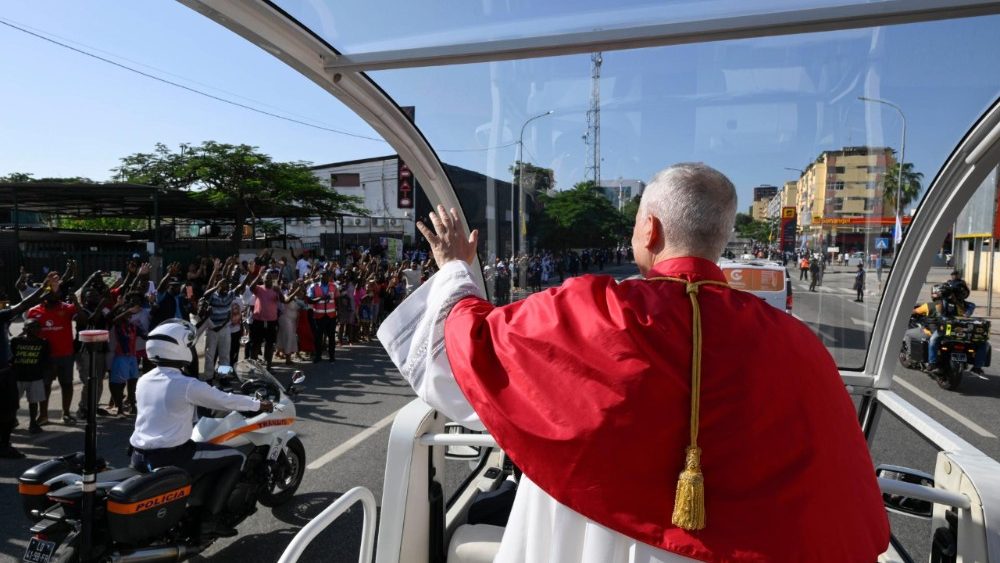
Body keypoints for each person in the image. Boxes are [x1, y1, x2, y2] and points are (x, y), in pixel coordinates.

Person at [379, 163, 888, 562]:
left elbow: (466, 351)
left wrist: (454, 268)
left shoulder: (592, 313)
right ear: (722, 236)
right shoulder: (798, 346)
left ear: (650, 228)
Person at [129, 319, 272, 536]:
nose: (191, 349)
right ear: (178, 348)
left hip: (138, 455)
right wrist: (258, 404)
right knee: (236, 458)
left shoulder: (144, 380)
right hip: (173, 455)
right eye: (188, 345)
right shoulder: (186, 385)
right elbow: (225, 400)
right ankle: (209, 520)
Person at [27, 283, 80, 425]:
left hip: (65, 354)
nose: (54, 294)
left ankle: (66, 413)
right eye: (50, 292)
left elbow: (82, 319)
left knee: (67, 384)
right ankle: (43, 415)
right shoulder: (33, 311)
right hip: (45, 357)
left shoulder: (67, 308)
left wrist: (76, 302)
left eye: (56, 292)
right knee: (45, 386)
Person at [307, 271, 339, 362]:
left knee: (331, 337)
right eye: (322, 276)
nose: (324, 277)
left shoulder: (334, 286)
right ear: (319, 277)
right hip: (318, 316)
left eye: (326, 276)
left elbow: (337, 299)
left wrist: (338, 311)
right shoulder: (313, 286)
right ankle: (318, 356)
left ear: (329, 277)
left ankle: (332, 356)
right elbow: (309, 300)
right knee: (318, 337)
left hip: (331, 316)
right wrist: (321, 298)